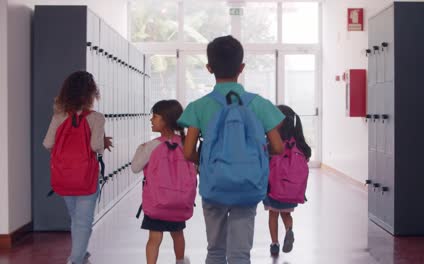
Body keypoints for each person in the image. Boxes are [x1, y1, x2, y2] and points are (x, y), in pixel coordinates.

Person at [177, 35, 285, 264]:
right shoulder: (259, 104)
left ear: (209, 68)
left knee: (215, 249)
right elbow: (277, 146)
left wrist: (206, 160)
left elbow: (188, 152)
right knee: (240, 253)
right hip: (248, 186)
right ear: (242, 67)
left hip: (214, 184)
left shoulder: (199, 107)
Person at [43, 71, 112, 264]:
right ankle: (75, 259)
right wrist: (104, 142)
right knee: (84, 220)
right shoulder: (96, 118)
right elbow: (95, 147)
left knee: (76, 218)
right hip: (86, 177)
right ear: (91, 93)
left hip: (64, 175)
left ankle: (80, 254)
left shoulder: (60, 116)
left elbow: (48, 143)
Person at [131, 100, 194, 264]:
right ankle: (180, 261)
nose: (151, 119)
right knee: (178, 234)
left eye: (155, 116)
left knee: (154, 238)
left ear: (166, 120)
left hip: (157, 202)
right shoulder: (185, 144)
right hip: (180, 201)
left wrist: (140, 148)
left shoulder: (152, 146)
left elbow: (135, 167)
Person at [264, 105, 312, 257]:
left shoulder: (273, 142)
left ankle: (274, 244)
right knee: (286, 214)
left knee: (273, 215)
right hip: (291, 190)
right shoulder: (300, 144)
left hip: (273, 188)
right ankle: (289, 230)